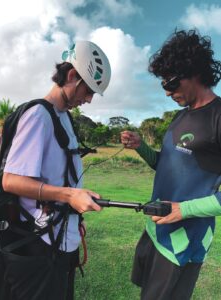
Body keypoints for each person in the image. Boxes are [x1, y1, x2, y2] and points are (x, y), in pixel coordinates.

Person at [0, 40, 111, 300]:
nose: (90, 100)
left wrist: (73, 195)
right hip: (37, 244)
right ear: (72, 76)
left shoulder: (63, 117)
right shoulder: (39, 116)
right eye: (89, 90)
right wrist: (69, 195)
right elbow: (11, 181)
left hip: (59, 240)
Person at [121, 29, 221, 300]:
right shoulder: (180, 118)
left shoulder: (218, 117)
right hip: (156, 230)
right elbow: (166, 166)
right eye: (163, 84)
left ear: (195, 72)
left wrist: (183, 210)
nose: (167, 92)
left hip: (184, 242)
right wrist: (140, 146)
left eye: (171, 83)